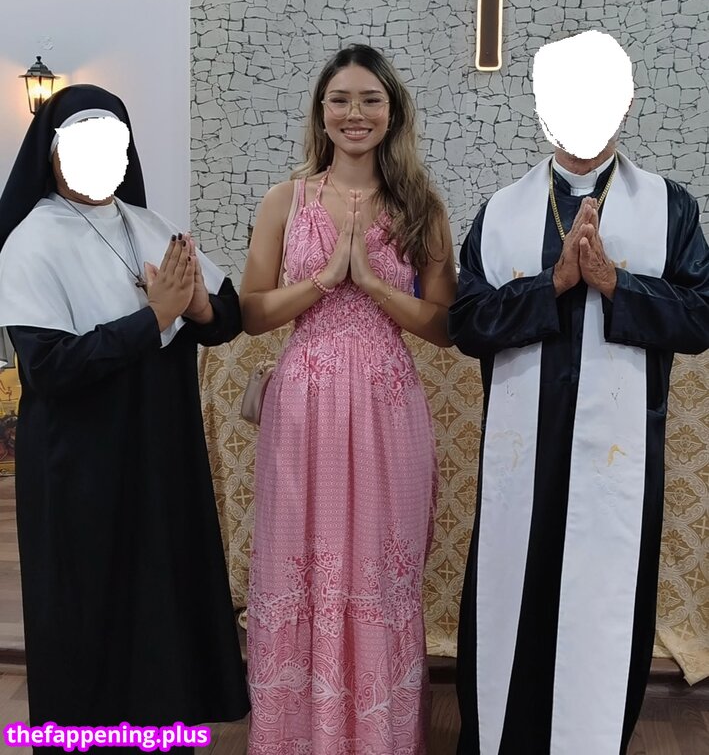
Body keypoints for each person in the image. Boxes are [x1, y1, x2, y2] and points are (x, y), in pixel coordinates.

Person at [449, 30, 709, 755]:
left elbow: (700, 317)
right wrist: (554, 283)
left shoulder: (669, 208)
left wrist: (614, 284)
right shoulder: (501, 210)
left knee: (602, 609)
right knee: (513, 603)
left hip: (616, 463)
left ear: (625, 103)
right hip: (522, 462)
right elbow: (467, 322)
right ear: (540, 105)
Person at [0, 85, 249, 740]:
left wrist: (197, 308)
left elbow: (229, 315)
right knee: (87, 611)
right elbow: (49, 368)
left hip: (160, 454)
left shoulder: (152, 226)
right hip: (79, 465)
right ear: (52, 155)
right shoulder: (30, 241)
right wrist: (155, 318)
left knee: (162, 606)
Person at [240, 44, 457, 754]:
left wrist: (371, 283)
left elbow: (445, 326)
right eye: (339, 99)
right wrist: (325, 279)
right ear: (321, 111)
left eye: (369, 99)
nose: (353, 113)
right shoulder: (286, 200)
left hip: (387, 405)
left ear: (392, 112)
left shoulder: (421, 206)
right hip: (303, 405)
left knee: (380, 566)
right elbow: (252, 312)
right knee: (300, 561)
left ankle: (376, 735)